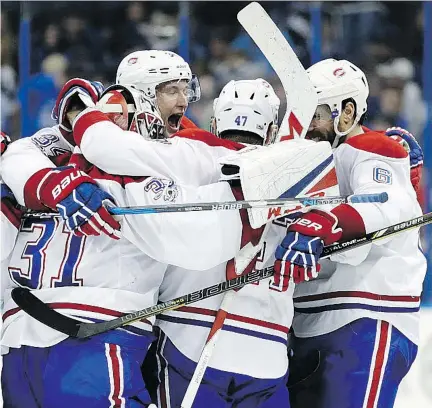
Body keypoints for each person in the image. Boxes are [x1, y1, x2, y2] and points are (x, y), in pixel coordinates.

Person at [0, 87, 245, 408]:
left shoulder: (37, 164)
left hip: (22, 341)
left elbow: (18, 153)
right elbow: (200, 244)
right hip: (92, 339)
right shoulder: (141, 169)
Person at [150, 79, 339, 408]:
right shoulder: (303, 172)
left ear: (215, 122)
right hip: (264, 355)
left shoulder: (184, 154)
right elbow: (331, 214)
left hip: (187, 339)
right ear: (270, 132)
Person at [273, 58, 426, 408]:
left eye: (317, 114)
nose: (306, 125)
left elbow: (384, 208)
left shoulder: (374, 148)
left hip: (366, 318)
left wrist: (324, 224)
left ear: (347, 112)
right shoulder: (308, 161)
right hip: (310, 325)